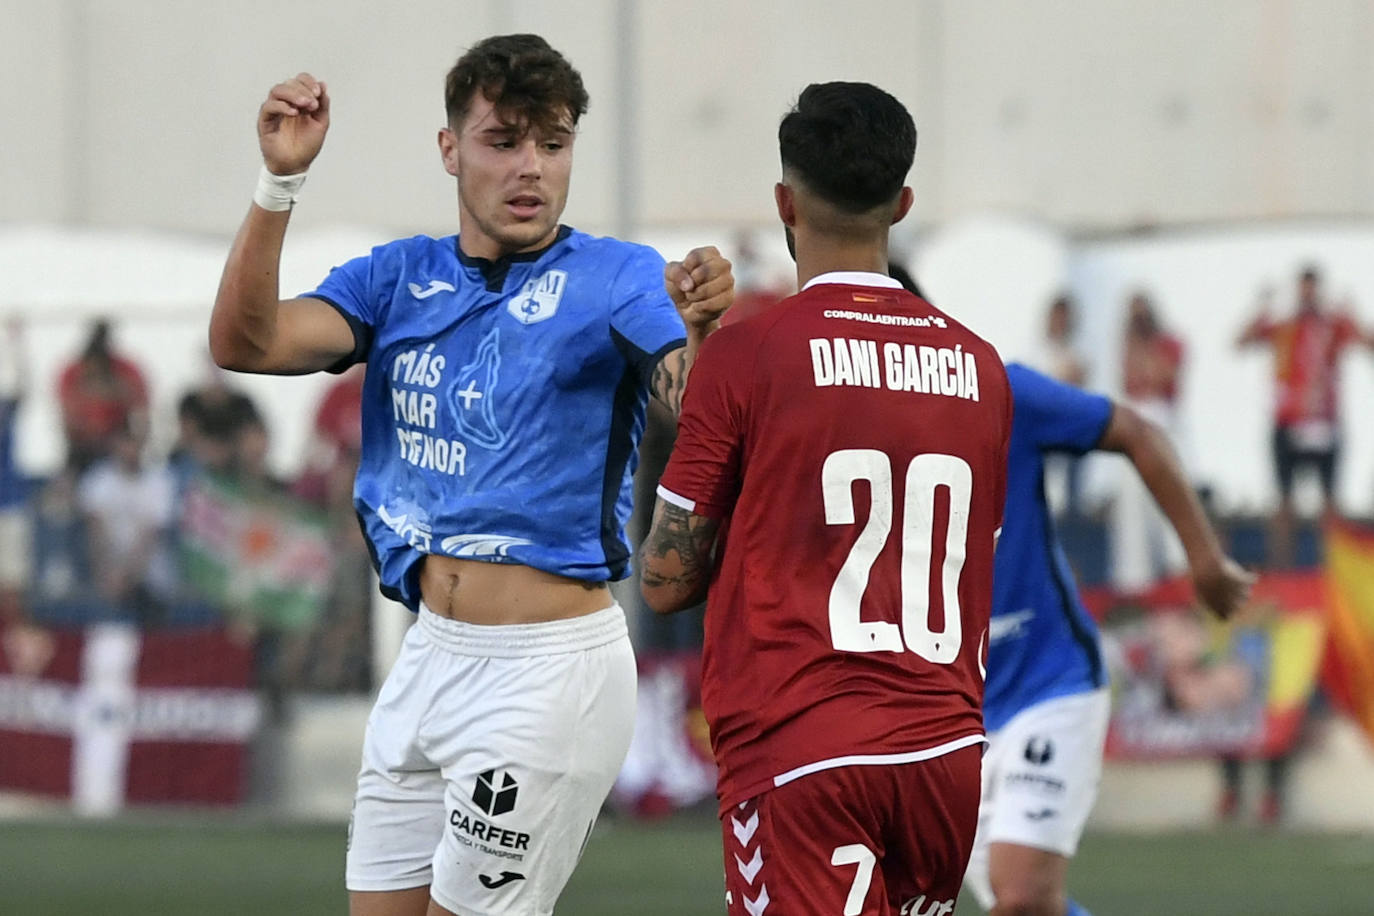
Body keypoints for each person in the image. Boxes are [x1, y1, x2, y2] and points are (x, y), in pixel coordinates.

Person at [208, 34, 732, 916]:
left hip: (548, 676)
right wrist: (279, 183)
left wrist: (704, 335)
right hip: (427, 659)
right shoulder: (397, 277)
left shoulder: (616, 278)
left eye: (553, 142)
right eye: (503, 141)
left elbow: (694, 399)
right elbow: (245, 343)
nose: (531, 167)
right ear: (450, 149)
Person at [641, 82, 1013, 916]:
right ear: (903, 201)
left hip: (804, 752)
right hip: (945, 757)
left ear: (784, 200)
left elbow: (667, 579)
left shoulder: (751, 355)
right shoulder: (981, 369)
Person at [959, 361, 1253, 916]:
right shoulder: (847, 426)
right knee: (1023, 903)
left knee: (1019, 896)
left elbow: (1137, 432)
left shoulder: (1000, 388)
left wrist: (1205, 559)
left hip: (1050, 681)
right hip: (950, 714)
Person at [1236, 264, 1374, 567]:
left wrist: (1354, 312)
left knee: (1329, 503)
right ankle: (1283, 572)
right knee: (1284, 502)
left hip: (1325, 421)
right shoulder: (1283, 326)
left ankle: (1334, 571)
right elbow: (1240, 342)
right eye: (1303, 287)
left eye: (1312, 288)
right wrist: (1261, 305)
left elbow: (1369, 344)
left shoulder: (1334, 325)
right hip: (1288, 421)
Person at [1112, 291, 1189, 591]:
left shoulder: (1169, 344)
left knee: (1169, 492)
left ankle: (1177, 564)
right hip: (1135, 417)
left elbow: (1161, 377)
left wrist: (1146, 347)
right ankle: (1135, 575)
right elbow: (1129, 382)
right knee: (1131, 500)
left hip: (1161, 419)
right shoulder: (1127, 345)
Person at [57, 318, 150, 474]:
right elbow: (67, 418)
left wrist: (135, 444)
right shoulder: (72, 373)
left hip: (118, 444)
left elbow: (142, 412)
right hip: (82, 447)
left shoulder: (126, 371)